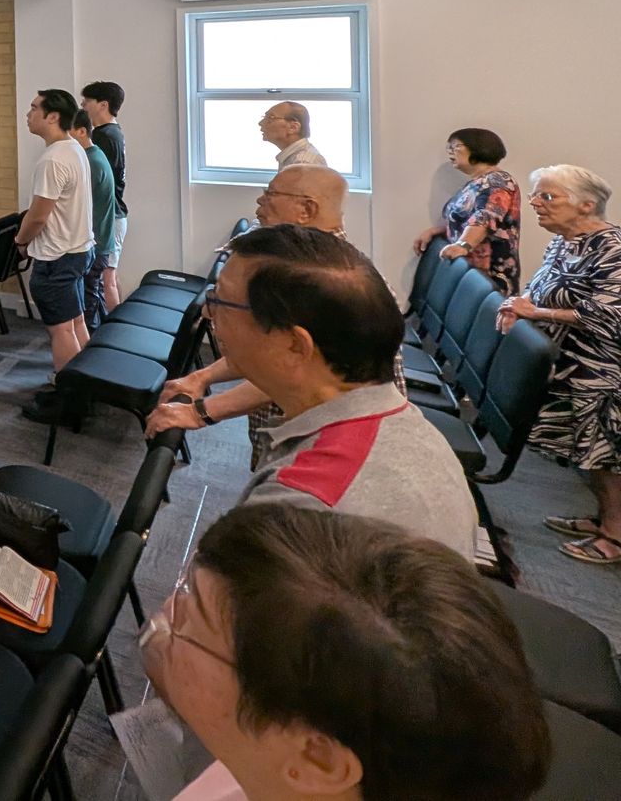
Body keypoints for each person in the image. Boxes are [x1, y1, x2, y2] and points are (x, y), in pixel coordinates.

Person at [141, 504, 551, 801]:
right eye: (185, 591)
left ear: (318, 757)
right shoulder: (267, 768)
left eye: (186, 620)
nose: (163, 615)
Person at [207, 226, 474, 556]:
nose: (208, 313)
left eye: (218, 300)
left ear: (294, 346)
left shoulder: (301, 505)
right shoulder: (407, 428)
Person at [147, 167, 351, 463]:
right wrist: (203, 376)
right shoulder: (300, 264)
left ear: (306, 209)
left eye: (271, 195)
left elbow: (293, 370)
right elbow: (270, 350)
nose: (260, 202)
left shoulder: (330, 279)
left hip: (316, 453)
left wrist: (201, 411)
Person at [501, 164, 621, 565]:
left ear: (587, 206)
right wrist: (516, 306)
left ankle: (615, 536)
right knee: (585, 453)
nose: (535, 203)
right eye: (537, 195)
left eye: (548, 197)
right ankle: (604, 519)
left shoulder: (612, 248)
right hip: (571, 363)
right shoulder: (565, 242)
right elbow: (541, 292)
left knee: (604, 455)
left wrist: (536, 314)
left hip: (603, 369)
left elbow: (609, 314)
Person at [15, 89, 94, 419]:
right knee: (75, 323)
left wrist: (21, 241)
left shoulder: (52, 159)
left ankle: (71, 402)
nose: (28, 114)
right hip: (78, 250)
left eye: (34, 108)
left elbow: (38, 215)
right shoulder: (73, 148)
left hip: (57, 256)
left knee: (61, 330)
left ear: (52, 117)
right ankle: (89, 386)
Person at [414, 128, 521, 295]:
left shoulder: (498, 181)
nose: (450, 151)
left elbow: (485, 217)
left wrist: (463, 245)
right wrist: (435, 231)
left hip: (489, 274)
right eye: (449, 147)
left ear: (479, 148)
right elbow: (465, 220)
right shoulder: (476, 183)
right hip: (468, 269)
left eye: (456, 146)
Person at [80, 81, 128, 307]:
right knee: (110, 274)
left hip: (111, 217)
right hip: (114, 215)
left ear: (103, 105)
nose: (83, 105)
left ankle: (112, 334)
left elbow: (102, 183)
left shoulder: (104, 137)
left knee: (105, 279)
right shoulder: (111, 133)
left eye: (87, 101)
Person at [70, 109, 117, 329]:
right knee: (93, 297)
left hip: (95, 246)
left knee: (87, 306)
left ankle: (87, 354)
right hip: (100, 243)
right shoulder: (94, 156)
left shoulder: (89, 163)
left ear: (81, 132)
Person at [259, 102, 326, 170]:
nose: (260, 123)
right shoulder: (295, 157)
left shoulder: (302, 162)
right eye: (264, 117)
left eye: (271, 118)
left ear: (293, 127)